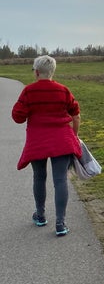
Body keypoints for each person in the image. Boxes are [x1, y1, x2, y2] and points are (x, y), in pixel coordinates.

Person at [12, 55, 82, 236]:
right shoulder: (63, 91)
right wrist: (73, 135)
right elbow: (76, 114)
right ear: (53, 72)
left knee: (39, 177)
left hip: (38, 141)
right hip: (61, 140)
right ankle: (61, 223)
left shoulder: (29, 92)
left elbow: (18, 117)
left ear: (36, 72)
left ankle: (41, 215)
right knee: (60, 180)